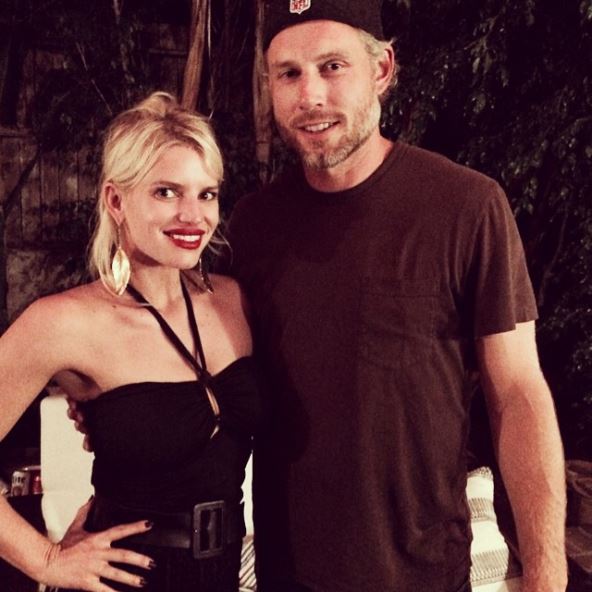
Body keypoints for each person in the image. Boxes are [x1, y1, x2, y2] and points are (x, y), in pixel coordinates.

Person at [220, 1, 568, 591]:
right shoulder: (251, 225)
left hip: (423, 573)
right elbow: (206, 368)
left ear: (381, 69)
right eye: (288, 73)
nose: (309, 95)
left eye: (332, 67)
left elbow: (517, 394)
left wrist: (546, 572)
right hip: (288, 576)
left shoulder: (466, 206)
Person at [0, 92, 262, 592]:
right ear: (116, 201)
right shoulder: (64, 321)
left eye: (207, 194)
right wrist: (45, 560)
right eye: (166, 192)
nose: (193, 215)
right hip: (127, 578)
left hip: (222, 573)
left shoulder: (233, 300)